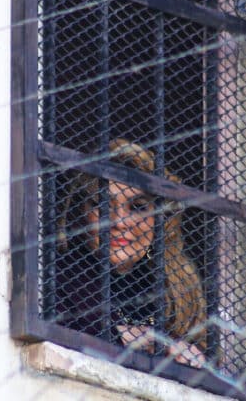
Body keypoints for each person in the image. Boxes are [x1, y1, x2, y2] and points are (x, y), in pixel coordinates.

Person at [55, 138, 207, 368]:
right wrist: (121, 335)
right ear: (80, 213)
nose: (120, 222)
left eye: (138, 207)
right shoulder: (56, 275)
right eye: (102, 205)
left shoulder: (178, 287)